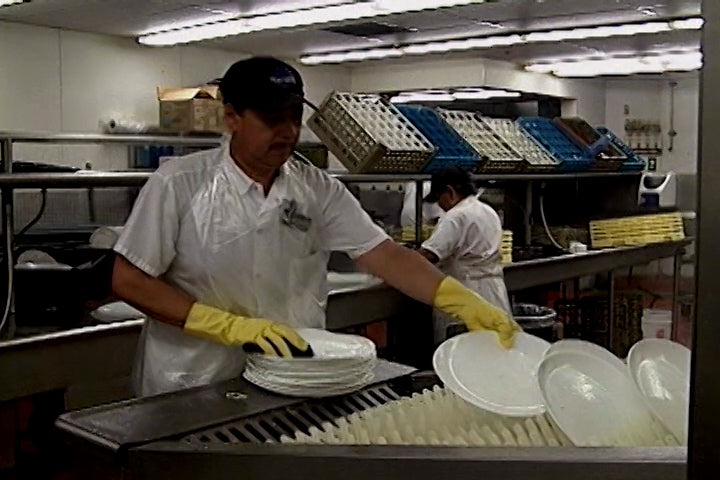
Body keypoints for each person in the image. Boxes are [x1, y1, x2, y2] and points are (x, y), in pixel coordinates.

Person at [111, 56, 519, 397]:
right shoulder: (178, 184)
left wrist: (462, 300)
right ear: (232, 117)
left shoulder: (317, 189)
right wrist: (225, 325)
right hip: (195, 378)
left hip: (293, 373)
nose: (288, 132)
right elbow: (128, 279)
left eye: (293, 118)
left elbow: (387, 256)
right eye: (272, 119)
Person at [418, 167, 512, 344]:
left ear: (450, 191)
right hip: (493, 290)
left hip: (465, 292)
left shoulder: (455, 216)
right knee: (493, 350)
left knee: (462, 356)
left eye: (439, 198)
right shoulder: (488, 211)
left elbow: (430, 255)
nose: (439, 205)